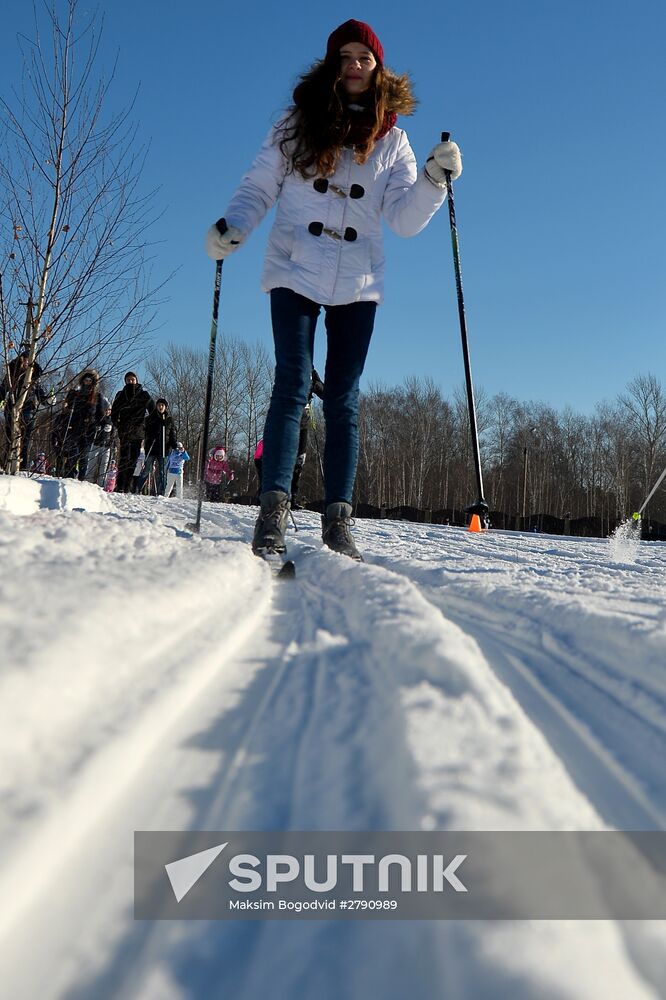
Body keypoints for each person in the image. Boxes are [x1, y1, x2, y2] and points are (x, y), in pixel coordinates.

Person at [205, 18, 461, 560]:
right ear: (331, 64)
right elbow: (258, 186)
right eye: (344, 56)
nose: (354, 65)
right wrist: (234, 226)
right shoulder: (295, 123)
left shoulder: (393, 140)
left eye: (363, 58)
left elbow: (404, 218)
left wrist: (434, 182)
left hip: (358, 280)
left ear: (377, 68)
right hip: (294, 266)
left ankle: (337, 519)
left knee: (343, 398)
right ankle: (273, 507)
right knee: (292, 384)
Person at [0, 350, 49, 470]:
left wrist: (47, 401)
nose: (26, 362)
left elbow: (39, 391)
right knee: (11, 439)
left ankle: (22, 467)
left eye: (29, 360)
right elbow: (3, 388)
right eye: (25, 359)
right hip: (13, 409)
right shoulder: (13, 374)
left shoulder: (33, 376)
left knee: (25, 442)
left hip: (29, 409)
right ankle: (7, 464)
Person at [57, 369, 110, 480]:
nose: (87, 382)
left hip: (89, 429)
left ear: (93, 382)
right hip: (74, 427)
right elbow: (66, 408)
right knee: (73, 453)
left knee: (84, 455)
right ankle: (70, 476)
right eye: (86, 380)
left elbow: (100, 413)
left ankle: (81, 479)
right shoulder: (75, 394)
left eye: (90, 380)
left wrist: (105, 422)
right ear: (82, 381)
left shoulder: (97, 396)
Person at [111, 371, 155, 493]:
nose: (131, 382)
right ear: (125, 381)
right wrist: (118, 424)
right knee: (124, 458)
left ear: (136, 380)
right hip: (124, 430)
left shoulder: (144, 394)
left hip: (138, 431)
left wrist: (146, 425)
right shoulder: (121, 394)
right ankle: (120, 485)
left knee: (133, 459)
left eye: (132, 379)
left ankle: (127, 485)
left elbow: (153, 411)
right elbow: (114, 412)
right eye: (128, 380)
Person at [138, 397, 177, 495]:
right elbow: (144, 431)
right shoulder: (150, 418)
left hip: (164, 449)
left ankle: (163, 492)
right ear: (156, 406)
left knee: (162, 472)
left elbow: (172, 434)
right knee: (146, 470)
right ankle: (138, 488)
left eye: (162, 405)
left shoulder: (169, 420)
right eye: (159, 405)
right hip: (151, 448)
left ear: (165, 407)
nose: (160, 407)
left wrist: (174, 445)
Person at [85, 403, 114, 486]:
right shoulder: (97, 419)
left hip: (106, 447)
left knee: (103, 468)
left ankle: (102, 486)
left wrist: (112, 443)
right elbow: (89, 431)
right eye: (106, 409)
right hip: (96, 445)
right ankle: (88, 484)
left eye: (109, 410)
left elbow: (113, 434)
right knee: (91, 466)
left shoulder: (112, 421)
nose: (107, 411)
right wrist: (95, 429)